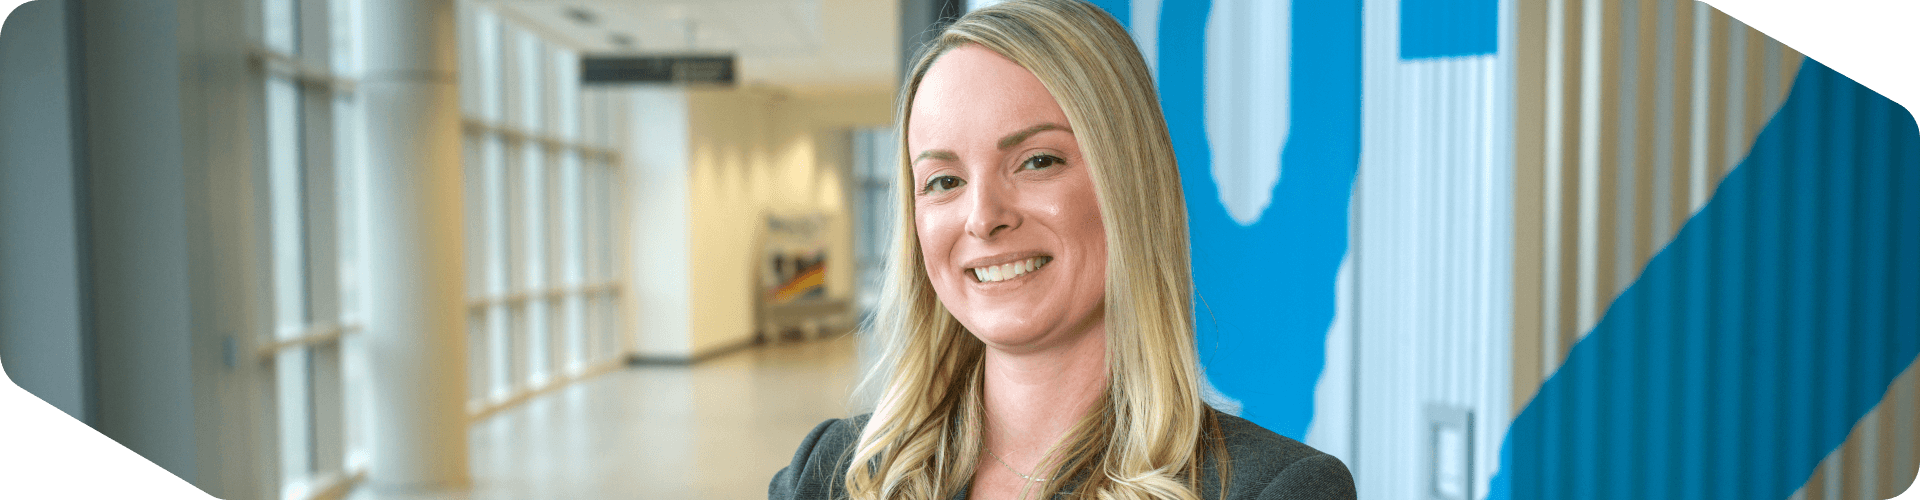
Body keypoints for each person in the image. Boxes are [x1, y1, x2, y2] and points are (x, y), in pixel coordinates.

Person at [770, 0, 1355, 498]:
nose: (983, 218)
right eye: (944, 180)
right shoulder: (831, 473)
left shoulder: (1276, 487)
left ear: (1129, 186)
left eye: (1038, 161)